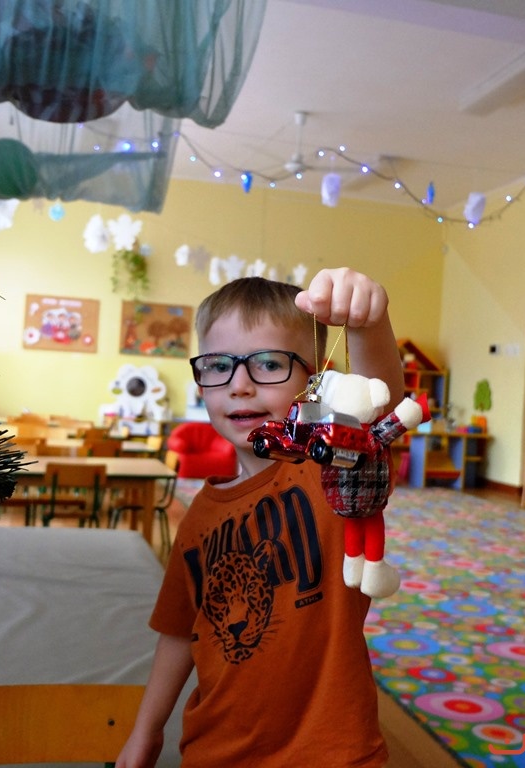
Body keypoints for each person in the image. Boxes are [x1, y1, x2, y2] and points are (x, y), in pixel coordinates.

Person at [116, 268, 405, 768]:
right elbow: (179, 631)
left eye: (269, 363)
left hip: (332, 754)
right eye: (218, 365)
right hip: (213, 750)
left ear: (316, 382)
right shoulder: (199, 516)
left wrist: (366, 323)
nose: (240, 385)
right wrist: (146, 731)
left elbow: (377, 405)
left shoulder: (328, 470)